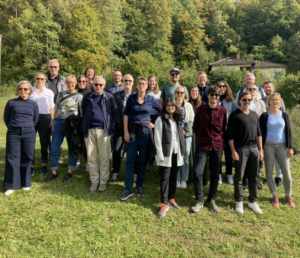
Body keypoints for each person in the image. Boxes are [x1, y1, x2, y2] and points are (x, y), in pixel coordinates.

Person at [120, 76, 162, 201]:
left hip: (145, 132)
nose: (142, 85)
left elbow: (162, 111)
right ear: (137, 85)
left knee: (143, 160)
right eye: (140, 83)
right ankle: (128, 188)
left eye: (144, 83)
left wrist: (155, 123)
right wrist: (125, 131)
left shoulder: (151, 99)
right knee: (130, 160)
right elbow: (126, 114)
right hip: (132, 131)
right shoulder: (131, 98)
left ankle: (139, 186)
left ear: (147, 86)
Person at [191, 86, 227, 213]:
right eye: (212, 94)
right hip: (202, 144)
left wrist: (217, 139)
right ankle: (199, 199)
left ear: (219, 96)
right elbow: (195, 127)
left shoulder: (222, 111)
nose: (214, 97)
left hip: (217, 146)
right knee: (197, 172)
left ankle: (211, 199)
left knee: (215, 173)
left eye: (216, 95)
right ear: (208, 95)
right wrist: (203, 137)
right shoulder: (201, 109)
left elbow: (223, 129)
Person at [228, 92, 264, 214]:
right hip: (240, 149)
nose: (247, 101)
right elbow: (230, 135)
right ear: (239, 100)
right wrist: (233, 151)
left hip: (254, 149)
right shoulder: (234, 115)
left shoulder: (254, 115)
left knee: (254, 176)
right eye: (244, 99)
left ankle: (252, 201)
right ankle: (239, 201)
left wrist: (260, 150)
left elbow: (259, 133)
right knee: (239, 177)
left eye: (249, 99)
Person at [44, 75, 83, 183]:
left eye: (72, 82)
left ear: (75, 83)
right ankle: (54, 171)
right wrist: (53, 123)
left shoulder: (79, 97)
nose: (70, 84)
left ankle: (70, 170)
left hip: (71, 124)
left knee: (71, 147)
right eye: (68, 82)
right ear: (65, 83)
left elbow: (81, 112)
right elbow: (56, 109)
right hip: (59, 123)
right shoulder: (61, 94)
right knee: (54, 147)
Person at [3, 81, 39, 196]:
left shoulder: (33, 104)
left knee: (27, 156)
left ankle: (25, 182)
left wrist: (27, 128)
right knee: (12, 157)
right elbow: (6, 118)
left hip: (29, 132)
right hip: (14, 132)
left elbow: (35, 119)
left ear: (29, 90)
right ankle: (11, 184)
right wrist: (15, 127)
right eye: (20, 89)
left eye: (25, 89)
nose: (23, 91)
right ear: (17, 90)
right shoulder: (11, 103)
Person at [259, 93, 295, 208]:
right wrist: (261, 149)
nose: (274, 102)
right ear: (269, 102)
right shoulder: (264, 116)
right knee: (269, 172)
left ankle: (288, 195)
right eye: (272, 100)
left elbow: (288, 131)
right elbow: (260, 133)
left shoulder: (284, 115)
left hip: (282, 146)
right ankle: (274, 195)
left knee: (287, 173)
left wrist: (290, 147)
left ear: (279, 102)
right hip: (268, 146)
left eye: (277, 100)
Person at [82, 76, 117, 192]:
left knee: (104, 157)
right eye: (96, 84)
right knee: (91, 157)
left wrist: (110, 126)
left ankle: (103, 180)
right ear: (92, 85)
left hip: (104, 130)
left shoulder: (109, 97)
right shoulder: (87, 97)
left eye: (100, 85)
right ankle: (94, 180)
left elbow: (114, 113)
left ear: (104, 85)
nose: (98, 86)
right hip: (89, 130)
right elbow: (83, 112)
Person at [154, 98, 185, 217]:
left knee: (173, 177)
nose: (170, 107)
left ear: (176, 107)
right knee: (165, 178)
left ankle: (171, 198)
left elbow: (180, 136)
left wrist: (182, 151)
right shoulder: (160, 119)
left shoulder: (178, 120)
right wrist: (160, 154)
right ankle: (164, 202)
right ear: (165, 107)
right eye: (168, 105)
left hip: (176, 152)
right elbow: (157, 138)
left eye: (173, 106)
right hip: (165, 153)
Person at [111, 74, 137, 181]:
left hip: (133, 127)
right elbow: (112, 111)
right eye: (126, 80)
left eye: (130, 81)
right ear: (123, 81)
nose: (127, 82)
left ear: (133, 82)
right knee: (116, 150)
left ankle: (135, 173)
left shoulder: (137, 95)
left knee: (134, 150)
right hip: (119, 126)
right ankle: (115, 171)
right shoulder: (116, 95)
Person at [29, 72, 54, 176]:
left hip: (45, 118)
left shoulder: (49, 92)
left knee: (45, 142)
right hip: (31, 118)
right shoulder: (30, 91)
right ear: (35, 79)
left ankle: (44, 164)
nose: (39, 80)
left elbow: (52, 107)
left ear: (45, 80)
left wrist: (52, 120)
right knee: (30, 142)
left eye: (42, 79)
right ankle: (31, 166)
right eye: (37, 78)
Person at [261, 81, 285, 186]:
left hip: (278, 133)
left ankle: (278, 177)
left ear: (273, 88)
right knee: (268, 158)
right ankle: (268, 176)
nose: (267, 89)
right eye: (265, 87)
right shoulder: (261, 100)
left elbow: (284, 115)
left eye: (269, 87)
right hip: (267, 132)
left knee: (278, 158)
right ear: (263, 89)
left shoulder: (279, 100)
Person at [244, 84, 266, 189]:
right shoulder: (243, 101)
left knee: (256, 159)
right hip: (246, 134)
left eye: (254, 89)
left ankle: (255, 180)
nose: (252, 90)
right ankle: (245, 179)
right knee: (245, 159)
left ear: (257, 91)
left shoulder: (261, 103)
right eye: (250, 89)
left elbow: (264, 117)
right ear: (246, 90)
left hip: (258, 132)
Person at [216, 81, 238, 185]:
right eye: (219, 86)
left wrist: (230, 125)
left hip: (229, 130)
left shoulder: (231, 100)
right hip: (217, 131)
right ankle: (219, 174)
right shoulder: (215, 99)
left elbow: (235, 115)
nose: (222, 88)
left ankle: (229, 174)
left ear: (226, 87)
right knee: (218, 154)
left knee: (229, 154)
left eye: (224, 86)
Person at [46, 59, 67, 164]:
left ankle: (58, 155)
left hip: (59, 112)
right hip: (45, 111)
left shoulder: (64, 80)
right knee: (46, 135)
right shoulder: (43, 80)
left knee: (58, 133)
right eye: (51, 67)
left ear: (58, 68)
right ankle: (47, 155)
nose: (53, 69)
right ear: (48, 67)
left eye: (55, 67)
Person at [175, 86, 194, 189]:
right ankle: (177, 178)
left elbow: (191, 119)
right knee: (177, 155)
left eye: (182, 92)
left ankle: (184, 179)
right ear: (175, 93)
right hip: (175, 132)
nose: (180, 94)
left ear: (184, 94)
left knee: (186, 154)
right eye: (178, 92)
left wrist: (185, 130)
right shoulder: (172, 104)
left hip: (186, 132)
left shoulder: (188, 105)